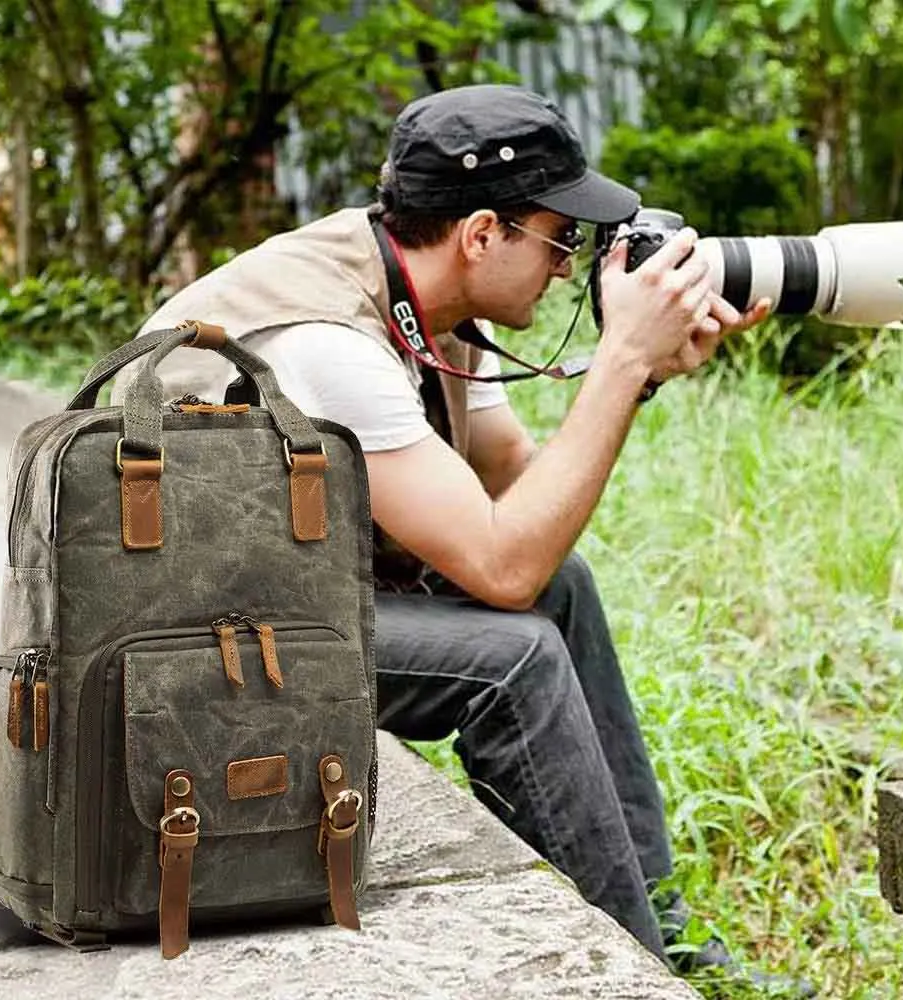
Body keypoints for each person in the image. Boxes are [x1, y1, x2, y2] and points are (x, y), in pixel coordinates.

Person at [112, 84, 808, 993]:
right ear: (482, 234)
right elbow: (502, 566)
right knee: (511, 659)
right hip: (176, 647)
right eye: (560, 238)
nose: (570, 269)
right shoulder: (332, 343)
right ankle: (632, 970)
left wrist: (635, 375)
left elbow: (516, 485)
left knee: (571, 588)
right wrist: (623, 360)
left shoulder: (424, 299)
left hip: (275, 603)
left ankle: (655, 915)